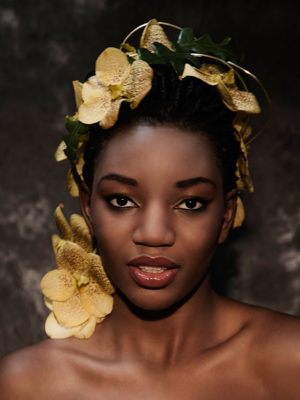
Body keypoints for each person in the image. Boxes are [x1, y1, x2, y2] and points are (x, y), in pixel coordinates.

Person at [1, 20, 299, 400]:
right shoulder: (27, 386)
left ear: (226, 215)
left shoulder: (290, 362)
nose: (154, 233)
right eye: (122, 200)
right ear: (88, 208)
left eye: (190, 203)